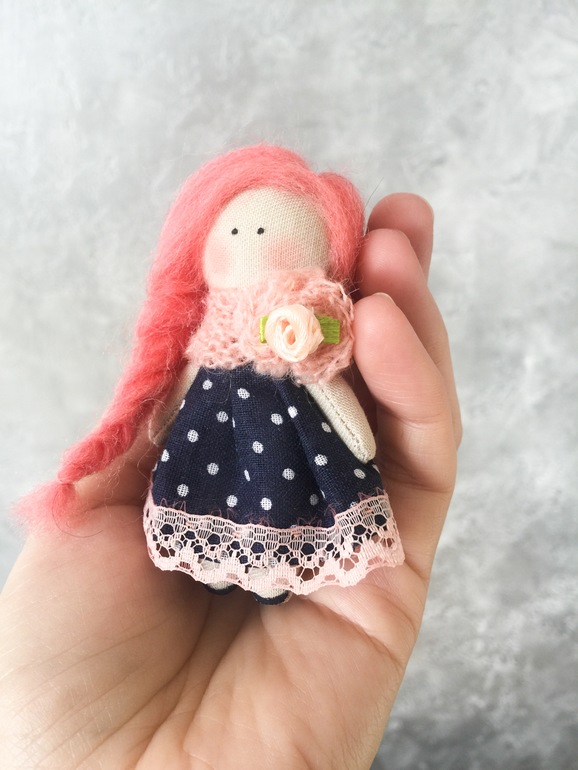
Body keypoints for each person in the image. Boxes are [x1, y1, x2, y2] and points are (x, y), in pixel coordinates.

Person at [0, 192, 460, 769]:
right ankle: (216, 569)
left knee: (280, 505)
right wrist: (159, 421)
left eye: (266, 232)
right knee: (212, 501)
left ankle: (272, 577)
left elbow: (327, 388)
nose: (249, 241)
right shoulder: (211, 331)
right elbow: (183, 382)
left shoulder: (306, 326)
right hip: (207, 444)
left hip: (287, 446)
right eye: (235, 233)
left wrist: (358, 437)